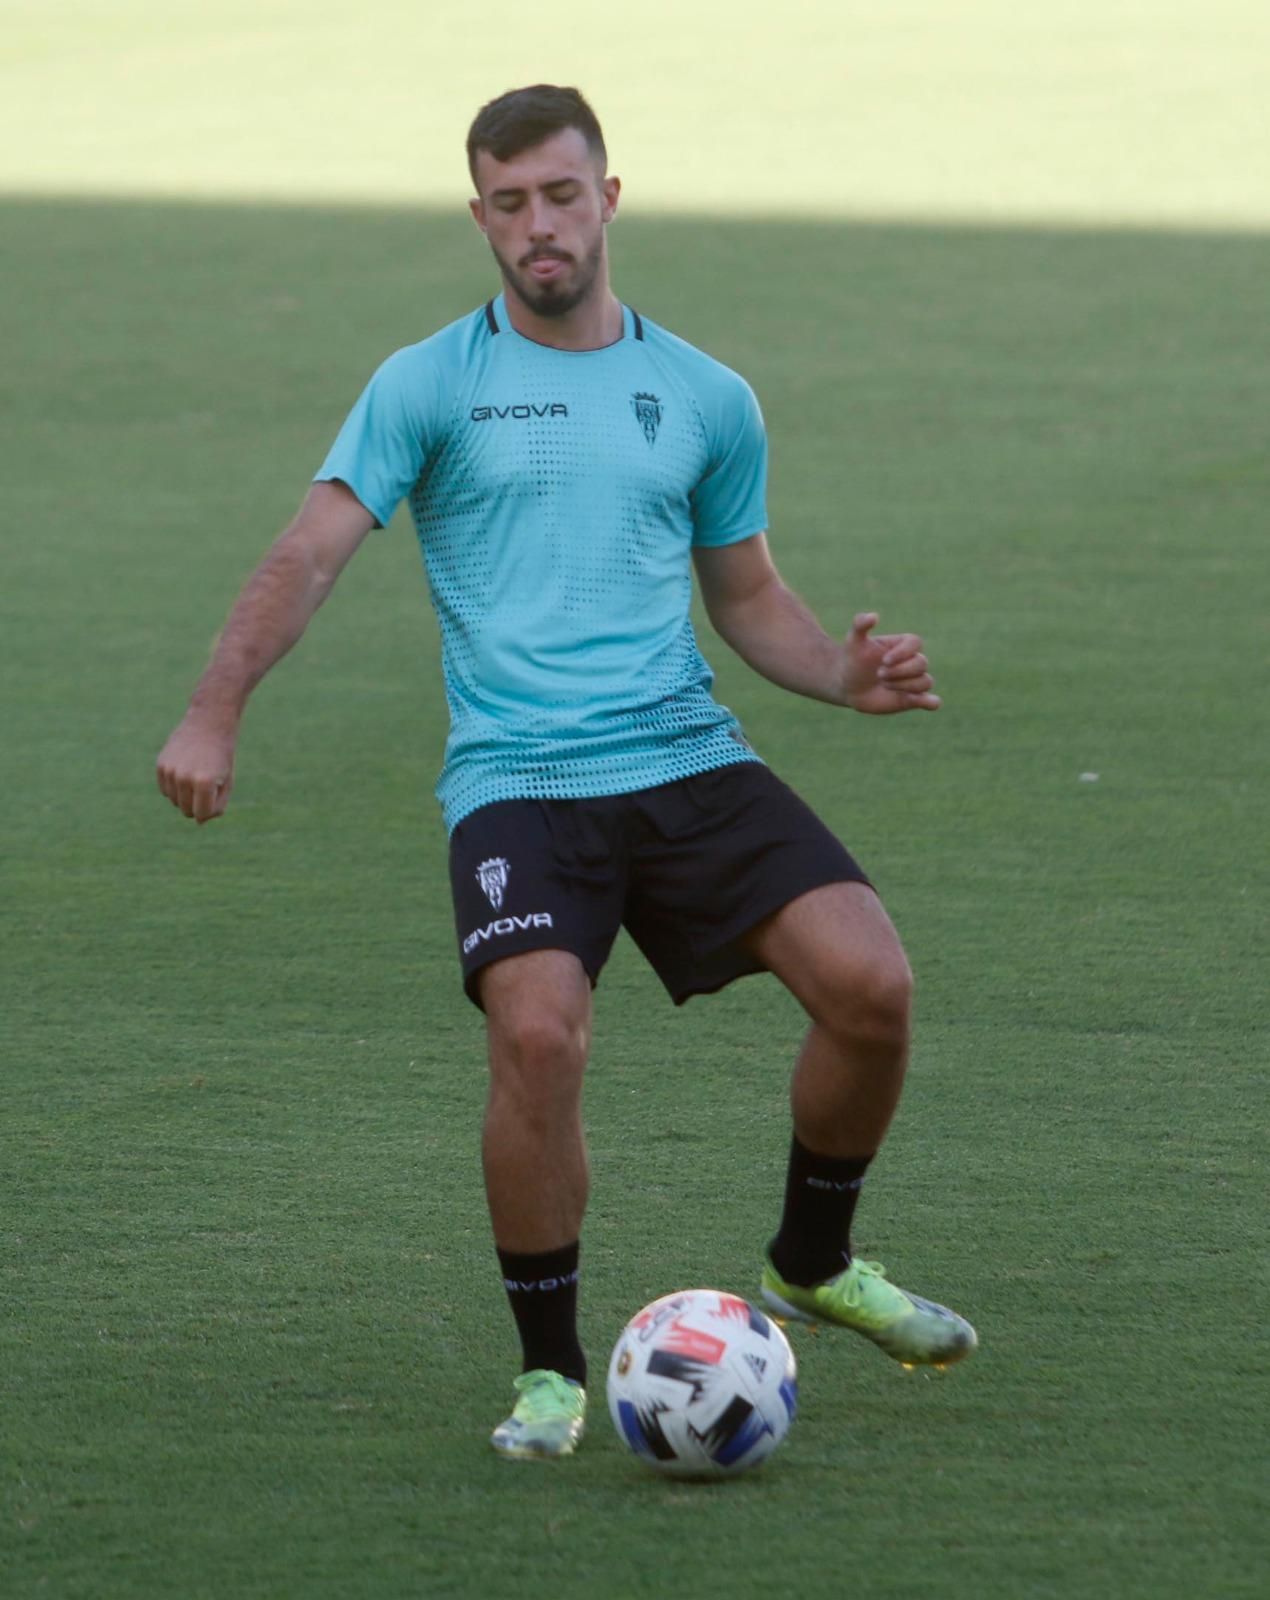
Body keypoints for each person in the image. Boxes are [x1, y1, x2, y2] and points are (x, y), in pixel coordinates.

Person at [156, 83, 976, 1462]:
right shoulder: (428, 382)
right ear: (478, 212)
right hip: (520, 777)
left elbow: (748, 594)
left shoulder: (705, 395)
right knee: (536, 1034)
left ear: (608, 198)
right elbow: (306, 555)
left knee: (872, 987)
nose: (538, 226)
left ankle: (810, 1263)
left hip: (684, 755)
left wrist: (839, 677)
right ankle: (548, 1372)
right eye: (509, 201)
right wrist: (211, 710)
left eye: (560, 194)